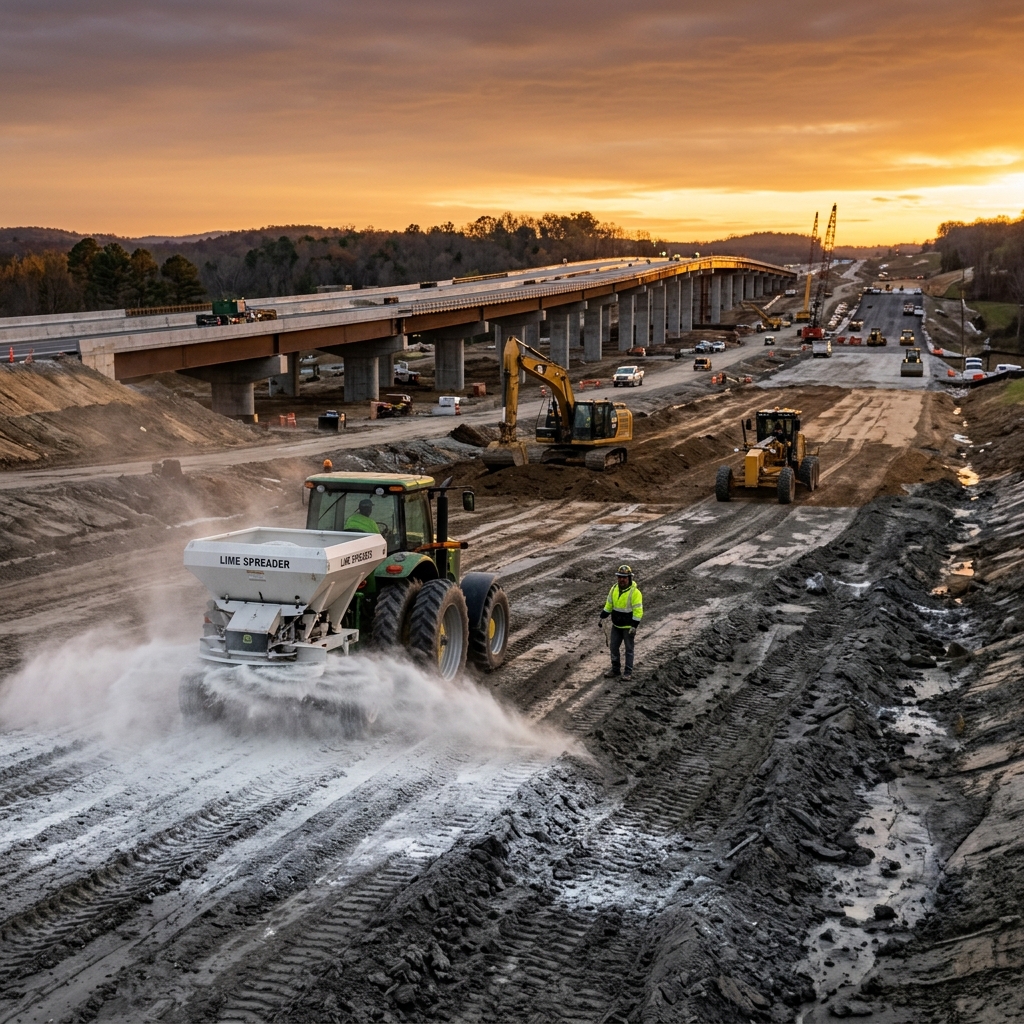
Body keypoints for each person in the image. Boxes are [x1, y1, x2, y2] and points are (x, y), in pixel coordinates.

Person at [599, 564, 643, 679]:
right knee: (613, 647)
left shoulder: (635, 593)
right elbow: (609, 604)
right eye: (619, 577)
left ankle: (628, 673)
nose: (621, 579)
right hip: (616, 625)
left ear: (629, 578)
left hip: (628, 626)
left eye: (624, 577)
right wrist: (604, 614)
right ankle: (615, 670)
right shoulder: (613, 589)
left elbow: (638, 611)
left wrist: (634, 625)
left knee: (629, 649)